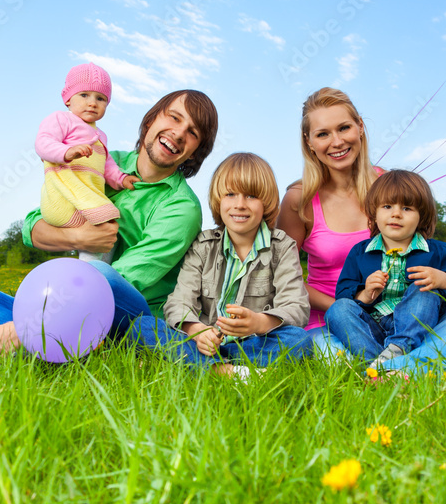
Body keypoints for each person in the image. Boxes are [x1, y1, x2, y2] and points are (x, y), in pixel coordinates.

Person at [0, 89, 219, 353]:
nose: (179, 133)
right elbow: (34, 226)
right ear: (151, 120)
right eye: (174, 117)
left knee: (102, 273)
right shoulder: (100, 160)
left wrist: (30, 322)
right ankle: (64, 344)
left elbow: (123, 278)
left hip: (127, 315)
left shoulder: (182, 207)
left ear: (196, 151)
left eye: (193, 133)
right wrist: (78, 238)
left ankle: (35, 335)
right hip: (71, 297)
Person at [276, 87, 446, 373]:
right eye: (323, 134)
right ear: (308, 142)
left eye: (344, 128)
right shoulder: (300, 199)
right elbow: (284, 277)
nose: (336, 142)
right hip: (333, 321)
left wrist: (433, 286)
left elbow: (422, 251)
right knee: (330, 352)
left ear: (360, 127)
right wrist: (356, 304)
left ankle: (387, 367)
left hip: (405, 316)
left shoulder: (391, 186)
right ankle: (428, 362)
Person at [130, 153, 312, 376]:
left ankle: (194, 366)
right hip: (203, 345)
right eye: (230, 194)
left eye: (251, 196)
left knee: (300, 341)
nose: (240, 205)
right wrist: (196, 330)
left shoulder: (282, 246)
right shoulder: (203, 245)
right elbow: (179, 302)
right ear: (218, 200)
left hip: (253, 345)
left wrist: (258, 322)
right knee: (143, 326)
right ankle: (227, 372)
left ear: (266, 202)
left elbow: (296, 306)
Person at [325, 170, 446, 372]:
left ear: (422, 217)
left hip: (421, 330)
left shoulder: (439, 251)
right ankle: (382, 364)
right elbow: (342, 294)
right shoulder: (360, 252)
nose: (396, 214)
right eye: (387, 206)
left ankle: (394, 354)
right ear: (374, 213)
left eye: (407, 208)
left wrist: (443, 280)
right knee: (337, 310)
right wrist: (364, 294)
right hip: (372, 328)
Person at [35, 62, 140, 260]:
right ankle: (91, 271)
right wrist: (67, 152)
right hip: (64, 199)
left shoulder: (100, 136)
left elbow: (107, 164)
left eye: (100, 98)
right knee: (99, 230)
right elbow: (43, 143)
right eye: (84, 95)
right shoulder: (61, 119)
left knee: (107, 233)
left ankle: (99, 270)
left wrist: (122, 179)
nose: (92, 103)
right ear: (68, 99)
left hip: (84, 200)